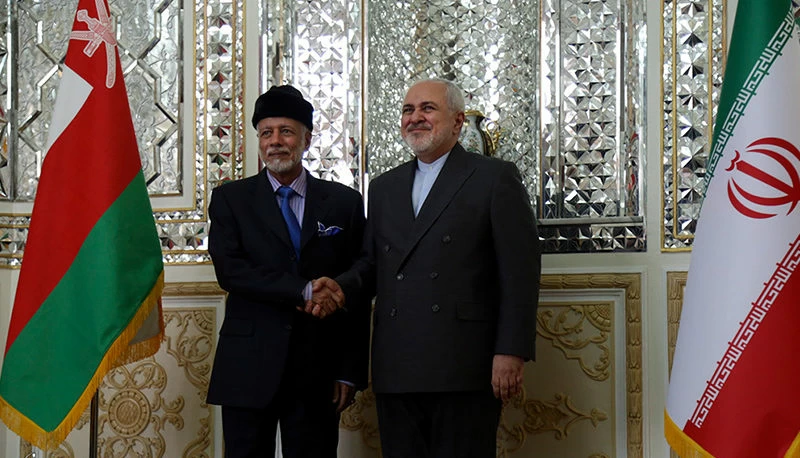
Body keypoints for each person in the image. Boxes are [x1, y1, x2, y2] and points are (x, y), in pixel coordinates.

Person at [320, 78, 541, 458]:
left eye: (427, 108)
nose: (415, 117)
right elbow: (374, 264)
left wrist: (511, 351)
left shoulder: (493, 177)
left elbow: (520, 273)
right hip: (397, 364)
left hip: (464, 364)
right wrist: (341, 287)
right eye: (408, 110)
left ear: (457, 122)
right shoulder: (384, 187)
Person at [206, 84, 369, 458]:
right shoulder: (231, 199)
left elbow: (360, 283)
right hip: (248, 367)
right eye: (266, 133)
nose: (276, 142)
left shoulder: (343, 202)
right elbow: (231, 271)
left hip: (318, 369)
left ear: (306, 139)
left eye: (286, 132)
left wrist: (348, 371)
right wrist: (303, 290)